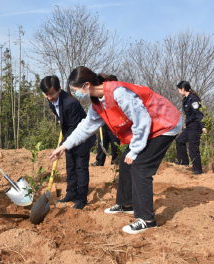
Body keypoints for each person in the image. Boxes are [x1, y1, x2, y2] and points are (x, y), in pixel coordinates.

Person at [49, 67, 183, 234]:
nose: (77, 95)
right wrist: (63, 146)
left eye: (76, 91)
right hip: (150, 127)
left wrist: (134, 151)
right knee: (124, 161)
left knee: (140, 166)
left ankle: (147, 220)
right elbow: (85, 127)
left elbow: (142, 122)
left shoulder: (118, 93)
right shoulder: (97, 102)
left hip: (164, 123)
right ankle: (127, 204)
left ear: (87, 85)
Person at [40, 75, 96, 210]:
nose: (49, 97)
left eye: (52, 93)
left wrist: (62, 146)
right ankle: (71, 193)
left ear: (59, 89)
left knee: (80, 169)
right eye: (46, 94)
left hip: (83, 138)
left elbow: (74, 128)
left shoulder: (71, 103)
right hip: (69, 136)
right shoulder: (50, 101)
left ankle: (82, 199)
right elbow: (62, 118)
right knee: (70, 167)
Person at [175, 81, 206, 175]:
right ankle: (183, 161)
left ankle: (197, 170)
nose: (179, 92)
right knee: (179, 140)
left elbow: (199, 114)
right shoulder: (185, 99)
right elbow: (189, 114)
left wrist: (203, 126)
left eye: (179, 90)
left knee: (193, 147)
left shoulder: (193, 99)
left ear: (183, 89)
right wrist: (186, 123)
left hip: (195, 127)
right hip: (189, 126)